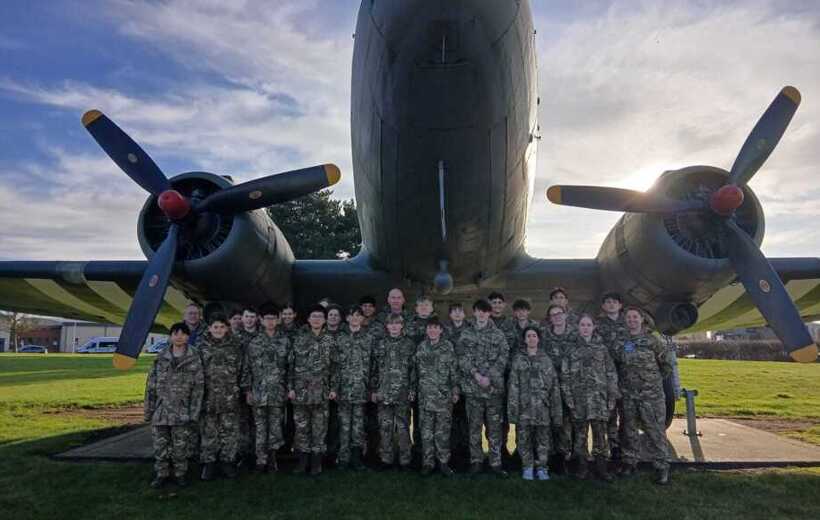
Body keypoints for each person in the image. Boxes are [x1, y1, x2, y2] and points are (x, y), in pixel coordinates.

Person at [617, 307, 674, 485]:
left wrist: (652, 381)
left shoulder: (653, 340)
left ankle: (662, 467)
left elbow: (667, 364)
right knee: (629, 430)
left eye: (635, 317)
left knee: (655, 430)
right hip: (628, 394)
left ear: (642, 319)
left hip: (651, 395)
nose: (632, 320)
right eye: (629, 317)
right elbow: (617, 363)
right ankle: (630, 462)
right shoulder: (622, 340)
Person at [144, 322, 204, 489]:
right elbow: (150, 385)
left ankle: (180, 474)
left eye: (183, 334)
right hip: (161, 410)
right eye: (175, 333)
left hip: (182, 410)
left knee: (180, 446)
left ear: (187, 337)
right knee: (160, 446)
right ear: (170, 336)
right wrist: (149, 410)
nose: (179, 337)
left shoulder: (194, 357)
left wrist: (194, 412)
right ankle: (161, 474)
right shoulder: (160, 357)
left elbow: (199, 387)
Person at [560, 315, 619, 482]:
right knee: (580, 437)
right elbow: (564, 376)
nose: (585, 328)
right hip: (579, 401)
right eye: (582, 325)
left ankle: (601, 469)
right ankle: (582, 468)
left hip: (599, 400)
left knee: (600, 437)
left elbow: (611, 373)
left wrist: (611, 397)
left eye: (588, 325)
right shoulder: (571, 350)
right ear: (578, 327)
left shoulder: (602, 349)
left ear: (593, 327)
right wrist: (569, 398)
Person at [458, 299, 510, 478]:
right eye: (478, 311)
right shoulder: (466, 334)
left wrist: (490, 377)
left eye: (485, 311)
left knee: (494, 429)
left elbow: (504, 357)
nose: (481, 314)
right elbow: (461, 358)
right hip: (473, 390)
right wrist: (476, 375)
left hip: (493, 390)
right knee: (474, 428)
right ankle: (476, 461)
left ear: (489, 313)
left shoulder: (498, 335)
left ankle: (495, 463)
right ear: (474, 312)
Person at [507, 326, 562, 481]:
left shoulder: (546, 360)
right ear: (525, 340)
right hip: (524, 408)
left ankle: (542, 468)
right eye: (528, 336)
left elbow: (554, 387)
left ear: (538, 339)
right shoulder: (518, 360)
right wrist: (513, 409)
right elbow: (513, 386)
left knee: (543, 441)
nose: (531, 338)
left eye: (534, 336)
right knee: (524, 440)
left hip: (542, 408)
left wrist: (556, 411)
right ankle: (527, 467)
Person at [288, 305, 337, 476]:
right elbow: (291, 365)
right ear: (308, 319)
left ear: (324, 320)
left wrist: (333, 388)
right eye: (313, 316)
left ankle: (316, 463)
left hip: (321, 392)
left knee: (319, 428)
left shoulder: (330, 340)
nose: (316, 319)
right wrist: (290, 387)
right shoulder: (299, 338)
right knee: (301, 428)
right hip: (301, 392)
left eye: (319, 316)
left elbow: (335, 367)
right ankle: (303, 462)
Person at [241, 304, 290, 473]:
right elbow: (246, 368)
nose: (270, 322)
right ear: (261, 320)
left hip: (277, 391)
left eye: (273, 318)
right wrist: (247, 390)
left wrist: (289, 388)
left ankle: (272, 459)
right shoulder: (254, 342)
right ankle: (260, 460)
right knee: (260, 427)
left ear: (278, 320)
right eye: (267, 318)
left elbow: (291, 367)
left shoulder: (285, 341)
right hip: (258, 392)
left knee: (275, 427)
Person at [197, 314, 243, 480]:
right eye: (215, 327)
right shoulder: (201, 347)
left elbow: (241, 369)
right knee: (209, 431)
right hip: (208, 396)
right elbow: (196, 372)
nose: (218, 330)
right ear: (209, 328)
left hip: (229, 396)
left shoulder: (235, 346)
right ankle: (209, 464)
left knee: (229, 431)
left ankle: (227, 462)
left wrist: (239, 389)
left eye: (222, 327)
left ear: (227, 328)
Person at [371, 313, 416, 470]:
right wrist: (374, 389)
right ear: (387, 326)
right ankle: (386, 459)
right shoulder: (380, 344)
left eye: (397, 323)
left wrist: (412, 389)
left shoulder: (409, 344)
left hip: (403, 393)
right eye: (391, 323)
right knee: (385, 428)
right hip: (384, 393)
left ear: (402, 325)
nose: (394, 326)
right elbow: (374, 369)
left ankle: (405, 460)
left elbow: (413, 369)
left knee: (403, 428)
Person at [415, 317, 459, 476]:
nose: (432, 330)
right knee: (426, 433)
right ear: (426, 330)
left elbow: (454, 370)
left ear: (440, 330)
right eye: (430, 328)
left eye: (435, 327)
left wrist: (455, 390)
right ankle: (428, 463)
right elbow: (415, 371)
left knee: (442, 433)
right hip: (425, 397)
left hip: (443, 397)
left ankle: (443, 463)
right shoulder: (421, 347)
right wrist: (413, 390)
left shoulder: (448, 347)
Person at [335, 305, 375, 470]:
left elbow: (373, 365)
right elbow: (334, 365)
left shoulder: (369, 338)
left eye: (358, 315)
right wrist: (334, 388)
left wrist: (371, 388)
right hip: (343, 389)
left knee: (358, 426)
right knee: (344, 425)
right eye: (352, 315)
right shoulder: (339, 338)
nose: (355, 318)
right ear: (347, 318)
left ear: (362, 319)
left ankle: (357, 458)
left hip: (361, 389)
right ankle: (343, 459)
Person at [541, 303, 577, 474]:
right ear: (549, 318)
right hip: (549, 386)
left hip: (569, 386)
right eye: (553, 314)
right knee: (549, 422)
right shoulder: (544, 336)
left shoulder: (575, 334)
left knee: (566, 423)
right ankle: (550, 456)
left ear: (565, 314)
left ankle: (565, 457)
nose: (556, 317)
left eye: (559, 313)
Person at [596, 292, 629, 462]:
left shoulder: (628, 323)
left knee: (627, 411)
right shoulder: (598, 325)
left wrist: (626, 354)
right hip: (606, 374)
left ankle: (625, 446)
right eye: (607, 302)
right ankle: (614, 446)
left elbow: (633, 342)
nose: (611, 304)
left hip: (626, 373)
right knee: (610, 411)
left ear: (620, 305)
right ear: (603, 306)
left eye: (614, 302)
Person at [444, 302, 470, 463]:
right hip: (450, 380)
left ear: (464, 314)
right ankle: (453, 452)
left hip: (468, 380)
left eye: (460, 311)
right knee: (452, 419)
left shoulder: (471, 330)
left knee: (466, 419)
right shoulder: (444, 330)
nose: (457, 314)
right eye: (454, 311)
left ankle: (466, 452)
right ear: (450, 315)